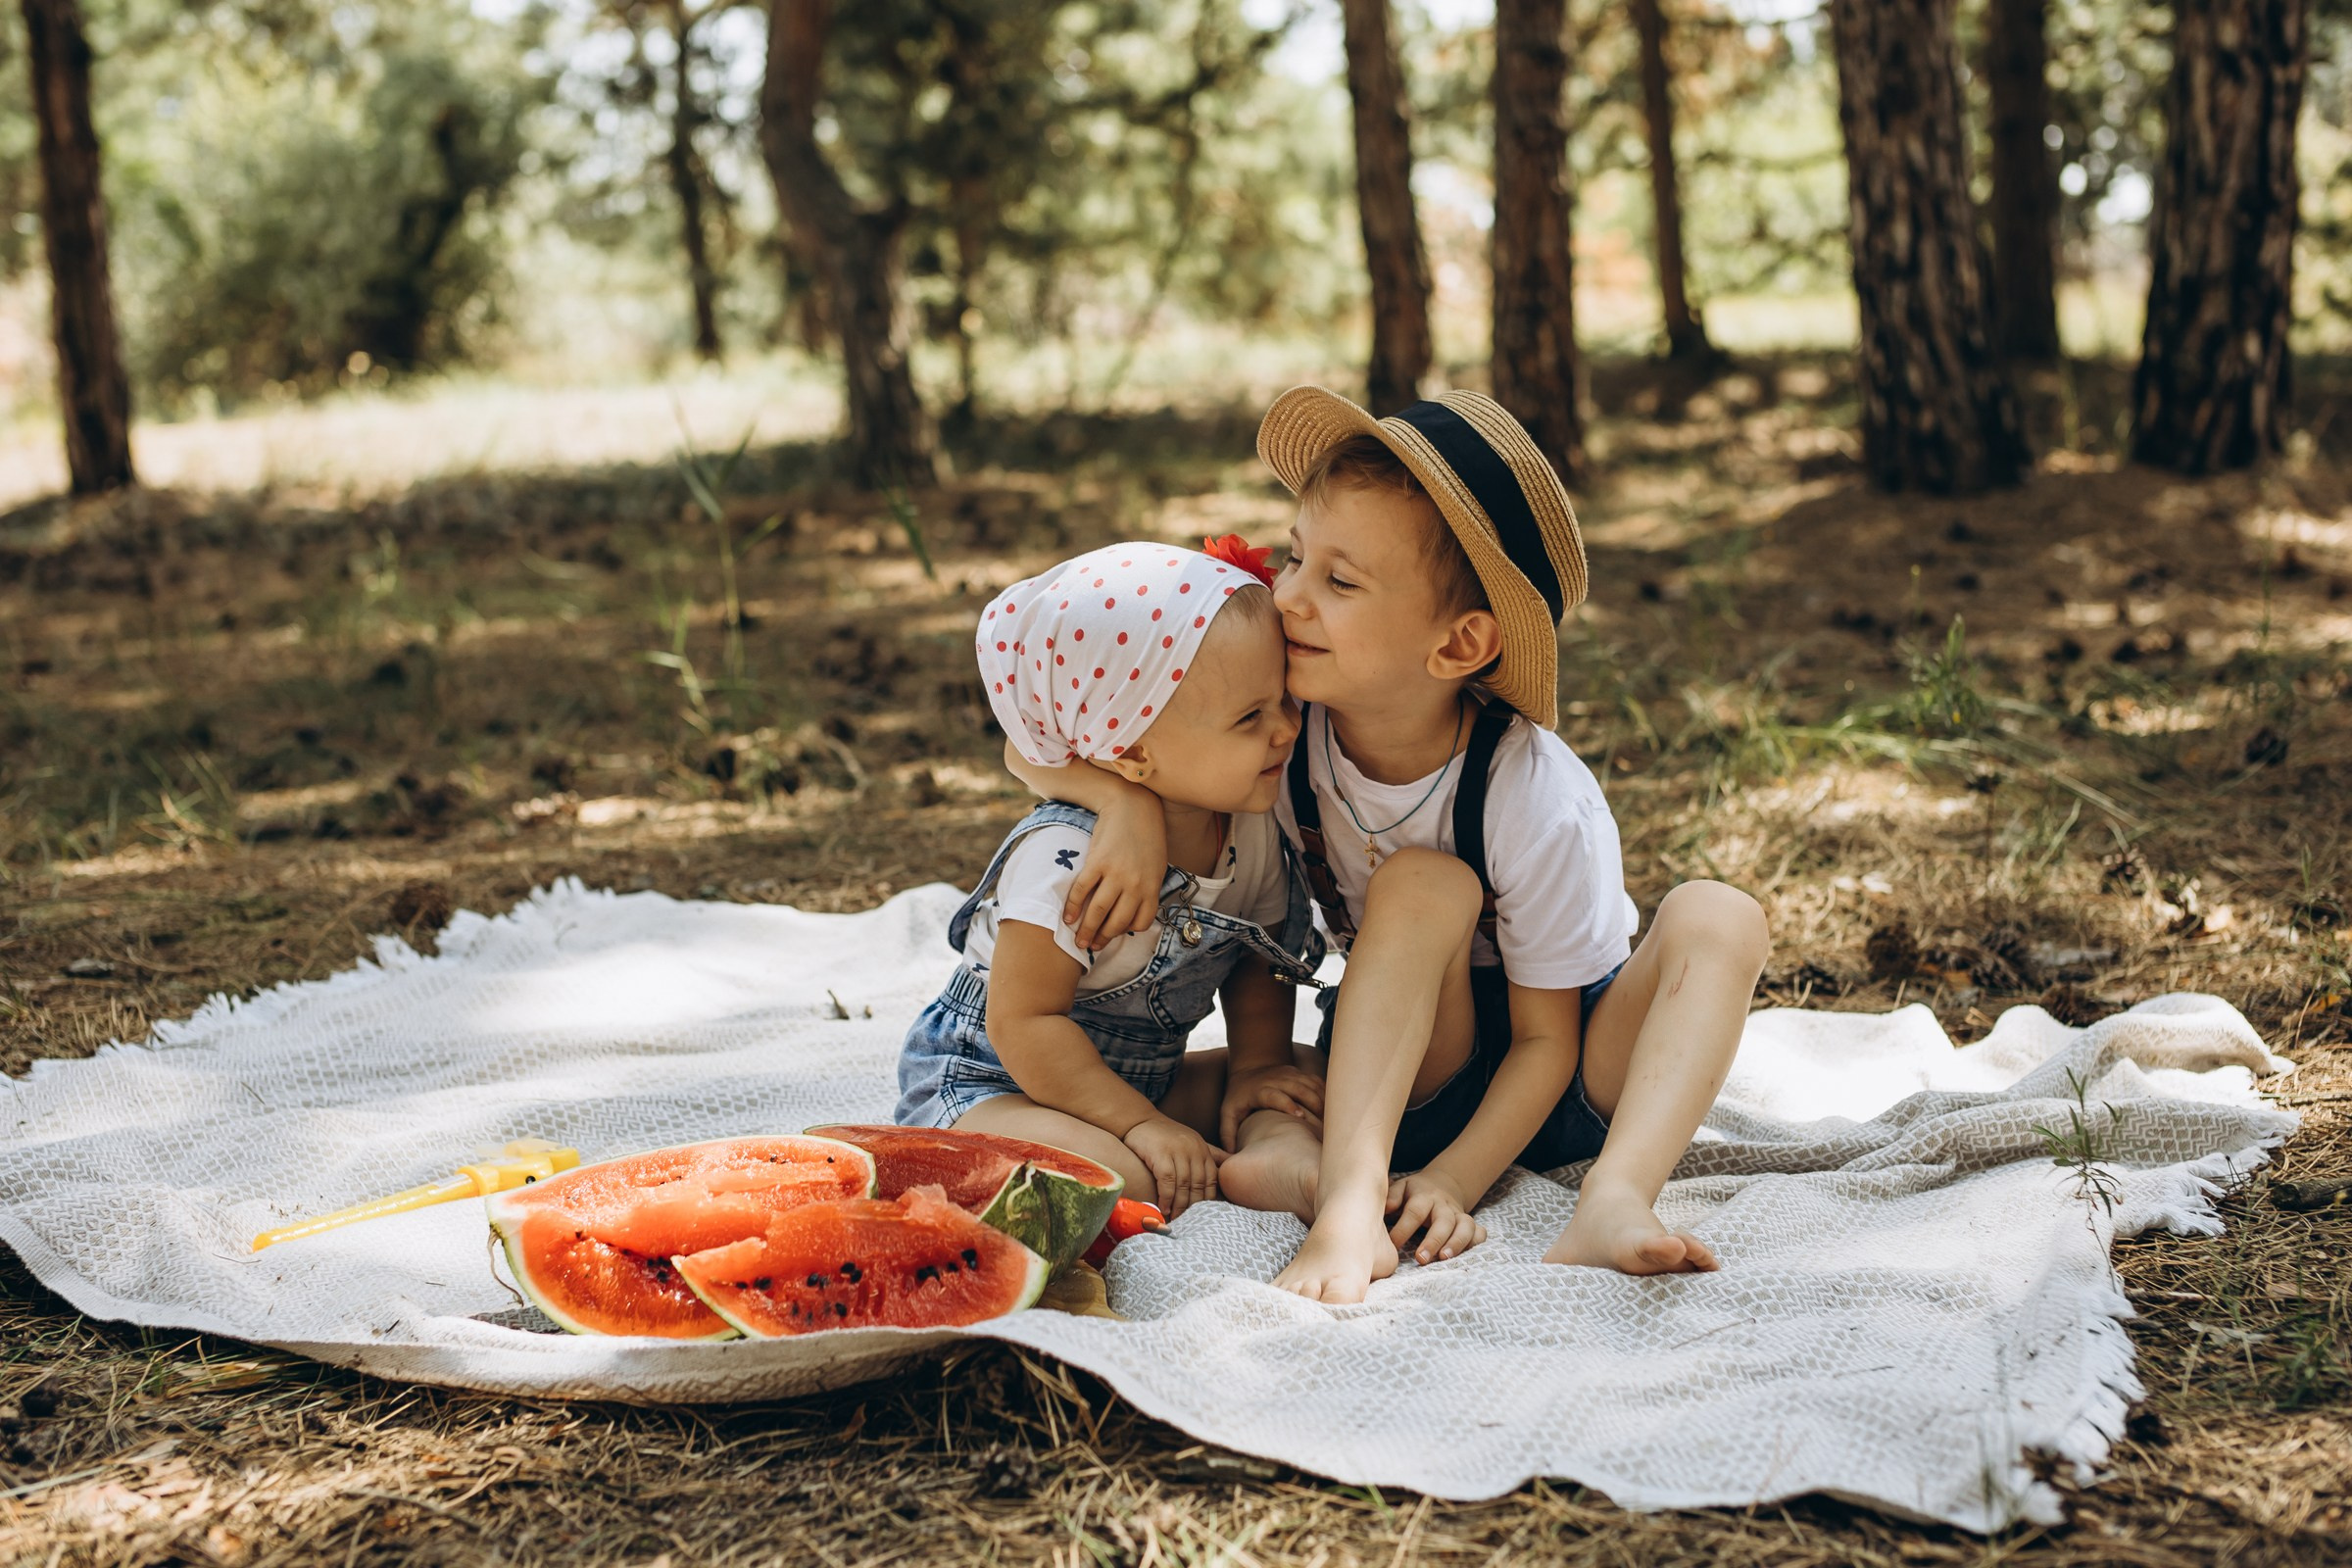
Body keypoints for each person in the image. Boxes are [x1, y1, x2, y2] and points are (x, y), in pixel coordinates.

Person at [1017, 387, 1770, 1302]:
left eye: (1339, 583)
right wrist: (1121, 802)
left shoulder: (1533, 794)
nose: (1287, 596)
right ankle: (1347, 1205)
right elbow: (1034, 739)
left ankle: (1615, 1197)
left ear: (1458, 645)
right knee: (1419, 887)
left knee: (1720, 913)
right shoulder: (1278, 733)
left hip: (1579, 1072)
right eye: (1296, 556)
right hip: (1407, 1073)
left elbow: (1547, 1041)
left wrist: (1453, 1181)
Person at [894, 540, 1328, 1220]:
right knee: (1121, 1176)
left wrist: (1255, 1069)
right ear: (1131, 754)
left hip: (1141, 1082)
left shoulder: (1250, 823)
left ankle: (1273, 1156)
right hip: (996, 1085)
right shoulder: (1066, 854)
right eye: (1251, 717)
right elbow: (1023, 1022)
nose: (1287, 729)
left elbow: (1258, 961)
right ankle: (1195, 1162)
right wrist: (1141, 1125)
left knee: (1307, 1075)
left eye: (1283, 699)